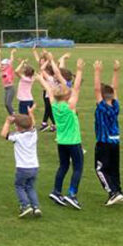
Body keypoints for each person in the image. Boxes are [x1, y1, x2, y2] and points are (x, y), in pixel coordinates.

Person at [38, 59, 85, 209]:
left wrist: (40, 78)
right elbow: (76, 87)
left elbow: (48, 89)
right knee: (78, 167)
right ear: (66, 96)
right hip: (73, 141)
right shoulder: (70, 106)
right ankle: (72, 194)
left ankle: (56, 191)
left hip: (61, 142)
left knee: (63, 166)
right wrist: (79, 70)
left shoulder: (54, 104)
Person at [93, 60, 123, 206]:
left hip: (103, 142)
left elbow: (96, 89)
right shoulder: (116, 106)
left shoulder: (101, 107)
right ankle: (119, 191)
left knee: (100, 169)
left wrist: (97, 71)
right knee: (114, 168)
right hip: (115, 141)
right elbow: (114, 88)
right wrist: (116, 71)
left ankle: (112, 193)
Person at [2, 109, 42, 218]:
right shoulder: (34, 133)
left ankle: (25, 206)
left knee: (19, 186)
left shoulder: (18, 136)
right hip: (34, 167)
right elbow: (32, 123)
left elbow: (4, 135)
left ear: (19, 128)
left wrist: (7, 122)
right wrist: (31, 113)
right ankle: (36, 207)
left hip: (22, 168)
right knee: (30, 187)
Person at [0, 48, 17, 116]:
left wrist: (12, 53)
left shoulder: (9, 68)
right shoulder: (2, 70)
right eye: (2, 64)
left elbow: (11, 60)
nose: (2, 65)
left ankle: (14, 116)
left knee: (8, 103)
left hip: (11, 88)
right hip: (6, 89)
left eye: (3, 64)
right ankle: (12, 116)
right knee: (6, 104)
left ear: (7, 65)